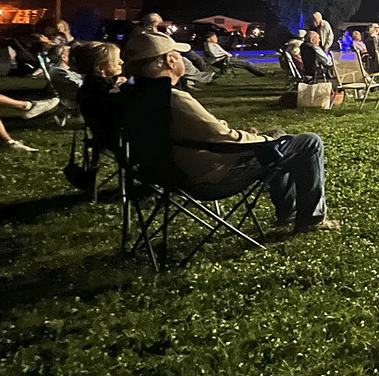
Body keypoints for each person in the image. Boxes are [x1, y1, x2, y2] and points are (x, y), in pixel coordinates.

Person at [121, 31, 338, 232]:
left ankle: (289, 212)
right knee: (309, 143)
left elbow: (202, 133)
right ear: (169, 60)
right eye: (177, 53)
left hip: (171, 174)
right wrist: (265, 139)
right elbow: (225, 139)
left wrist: (254, 135)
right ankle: (311, 218)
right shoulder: (174, 99)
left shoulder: (136, 98)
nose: (181, 58)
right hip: (211, 176)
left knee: (278, 136)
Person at [200, 31, 267, 77]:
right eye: (214, 37)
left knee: (245, 64)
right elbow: (214, 55)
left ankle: (260, 72)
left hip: (224, 59)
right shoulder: (210, 45)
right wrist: (226, 54)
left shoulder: (213, 45)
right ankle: (261, 73)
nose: (216, 38)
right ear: (209, 39)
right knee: (247, 63)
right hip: (223, 60)